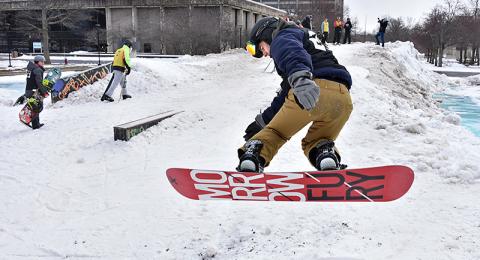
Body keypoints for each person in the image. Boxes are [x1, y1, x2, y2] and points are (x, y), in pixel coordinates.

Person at [241, 17, 353, 173]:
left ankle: (253, 156)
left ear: (267, 35)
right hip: (342, 97)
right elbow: (286, 94)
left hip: (311, 85)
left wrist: (300, 79)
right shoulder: (307, 36)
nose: (265, 54)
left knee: (276, 133)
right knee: (318, 140)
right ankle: (325, 154)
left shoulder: (283, 36)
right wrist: (263, 121)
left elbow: (291, 52)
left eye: (261, 48)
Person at [24, 55, 48, 129]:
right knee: (37, 107)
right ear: (38, 62)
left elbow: (29, 80)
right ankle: (35, 124)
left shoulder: (30, 68)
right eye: (42, 62)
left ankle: (36, 124)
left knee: (34, 107)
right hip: (33, 92)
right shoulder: (37, 70)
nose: (43, 63)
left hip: (29, 90)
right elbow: (39, 82)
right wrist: (44, 92)